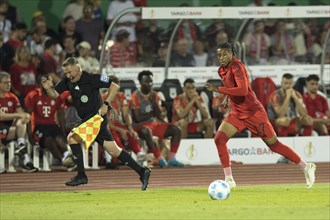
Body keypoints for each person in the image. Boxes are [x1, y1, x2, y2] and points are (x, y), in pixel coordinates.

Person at [205, 42, 316, 189]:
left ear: (232, 54)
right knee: (219, 139)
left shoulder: (238, 67)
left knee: (274, 145)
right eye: (219, 55)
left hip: (253, 113)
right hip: (237, 112)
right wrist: (227, 98)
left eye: (225, 54)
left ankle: (306, 166)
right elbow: (232, 88)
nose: (221, 57)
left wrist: (218, 89)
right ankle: (229, 179)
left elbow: (243, 91)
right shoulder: (221, 70)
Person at [40, 57, 150, 189]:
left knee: (72, 138)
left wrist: (106, 104)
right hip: (87, 119)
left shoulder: (92, 78)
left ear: (78, 68)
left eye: (70, 72)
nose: (68, 75)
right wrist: (48, 88)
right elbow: (54, 95)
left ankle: (81, 175)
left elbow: (114, 86)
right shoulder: (67, 81)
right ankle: (142, 171)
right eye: (66, 73)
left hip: (96, 118)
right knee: (114, 150)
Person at [130, 70, 184, 167]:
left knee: (176, 130)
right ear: (140, 82)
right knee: (147, 131)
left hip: (154, 124)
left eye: (151, 82)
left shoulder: (155, 95)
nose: (149, 84)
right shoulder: (135, 96)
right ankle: (159, 158)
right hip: (140, 127)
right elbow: (138, 118)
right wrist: (152, 113)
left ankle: (172, 158)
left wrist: (154, 102)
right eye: (146, 81)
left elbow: (158, 115)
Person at [24, 76, 77, 171]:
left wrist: (64, 132)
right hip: (38, 126)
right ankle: (64, 160)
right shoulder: (33, 95)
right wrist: (29, 135)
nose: (47, 84)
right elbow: (27, 116)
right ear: (39, 84)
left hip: (52, 125)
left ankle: (66, 155)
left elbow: (61, 116)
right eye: (44, 82)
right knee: (49, 140)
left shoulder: (57, 96)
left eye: (49, 81)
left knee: (59, 139)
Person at [0, 71, 38, 172]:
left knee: (23, 121)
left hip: (8, 130)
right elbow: (1, 117)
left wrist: (25, 117)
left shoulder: (12, 97)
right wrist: (18, 115)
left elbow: (21, 114)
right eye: (5, 82)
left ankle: (21, 146)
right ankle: (24, 158)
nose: (8, 84)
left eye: (9, 82)